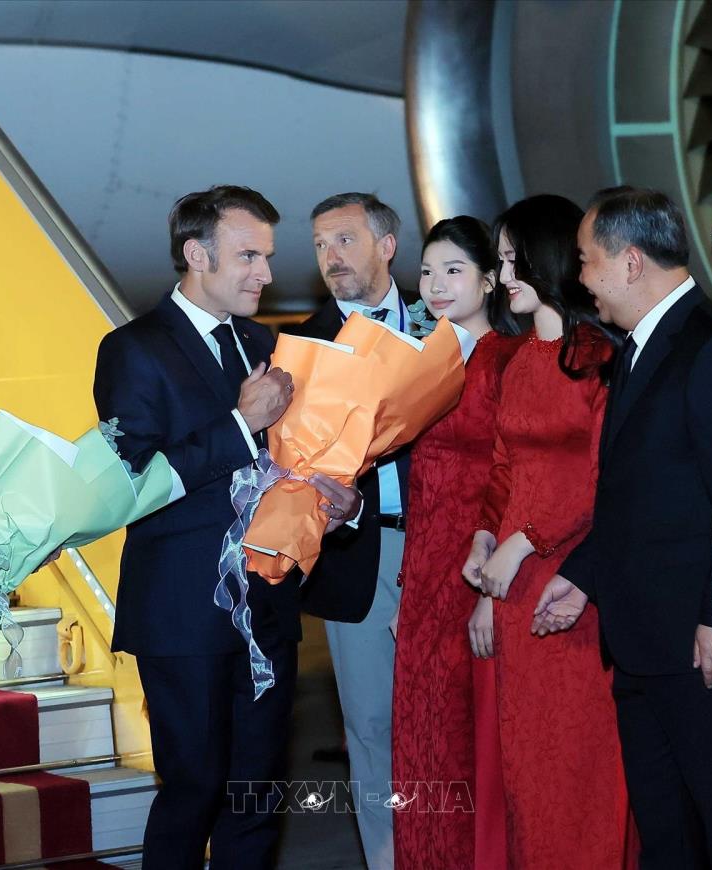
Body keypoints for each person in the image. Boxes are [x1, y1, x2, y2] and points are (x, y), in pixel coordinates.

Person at [93, 185, 361, 870]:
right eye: (248, 256)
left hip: (266, 606)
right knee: (193, 791)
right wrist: (242, 424)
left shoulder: (263, 342)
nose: (265, 274)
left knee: (256, 797)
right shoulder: (131, 349)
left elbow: (292, 460)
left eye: (266, 256)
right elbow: (134, 483)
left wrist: (331, 501)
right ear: (196, 255)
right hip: (182, 612)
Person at [538, 187, 712, 868]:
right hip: (643, 642)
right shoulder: (640, 346)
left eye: (587, 260)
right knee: (667, 833)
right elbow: (640, 495)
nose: (581, 277)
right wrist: (585, 576)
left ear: (631, 262)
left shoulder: (711, 347)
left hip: (700, 650)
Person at [461, 194, 634, 868]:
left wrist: (526, 539)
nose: (504, 276)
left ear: (551, 257)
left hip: (574, 577)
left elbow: (604, 477)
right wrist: (485, 538)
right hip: (512, 579)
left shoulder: (598, 356)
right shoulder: (519, 361)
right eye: (501, 261)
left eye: (514, 260)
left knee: (580, 755)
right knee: (526, 759)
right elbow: (503, 467)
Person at [390, 217, 522, 870]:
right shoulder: (426, 359)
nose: (436, 285)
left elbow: (516, 479)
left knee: (472, 738)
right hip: (426, 571)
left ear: (491, 279)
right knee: (424, 737)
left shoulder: (510, 359)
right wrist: (408, 584)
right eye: (426, 272)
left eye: (453, 271)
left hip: (476, 570)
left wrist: (493, 591)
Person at [291, 192, 409, 869]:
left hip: (451, 553)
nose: (330, 257)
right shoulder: (300, 346)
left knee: (454, 717)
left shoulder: (444, 326)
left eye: (344, 240)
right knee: (370, 727)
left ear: (386, 246)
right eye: (320, 245)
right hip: (355, 552)